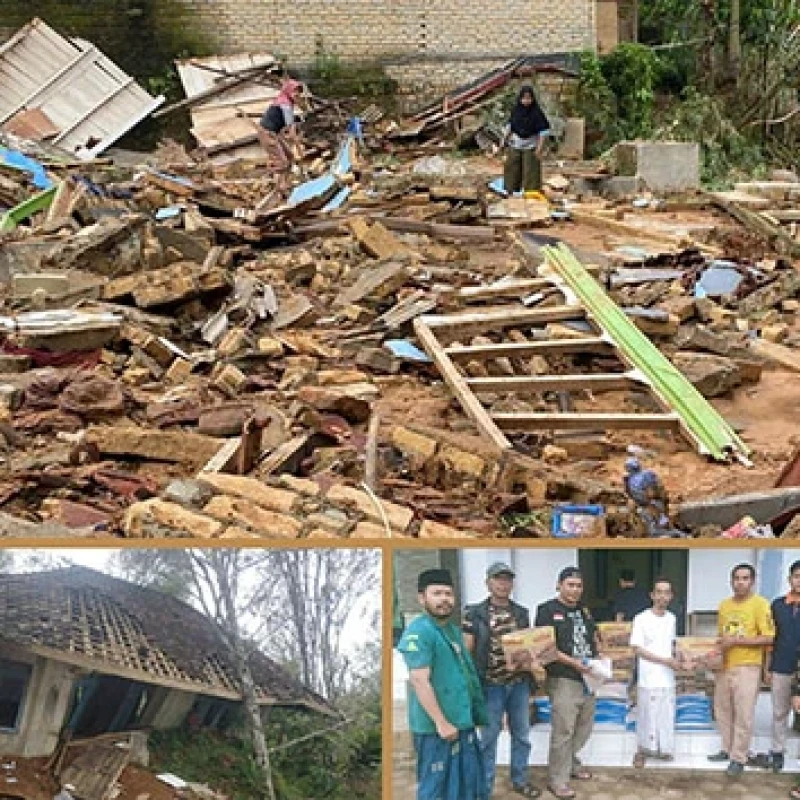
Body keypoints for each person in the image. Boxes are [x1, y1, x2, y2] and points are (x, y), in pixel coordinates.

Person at [397, 568, 489, 800]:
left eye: (448, 594)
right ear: (422, 598)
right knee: (438, 789)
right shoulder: (419, 632)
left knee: (467, 786)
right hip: (437, 731)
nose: (444, 599)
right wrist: (441, 723)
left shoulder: (451, 631)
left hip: (461, 724)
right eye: (437, 593)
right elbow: (419, 680)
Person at [463, 562, 540, 799]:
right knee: (488, 738)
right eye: (498, 579)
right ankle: (484, 789)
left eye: (507, 579)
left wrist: (528, 663)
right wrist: (470, 685)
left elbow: (528, 645)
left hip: (518, 684)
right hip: (490, 685)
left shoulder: (521, 612)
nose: (503, 584)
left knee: (522, 736)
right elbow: (468, 650)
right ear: (488, 582)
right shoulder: (473, 612)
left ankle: (520, 780)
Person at [535, 567, 599, 800]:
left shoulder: (584, 611)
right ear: (559, 585)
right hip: (564, 678)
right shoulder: (547, 610)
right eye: (570, 585)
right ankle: (558, 780)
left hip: (588, 677)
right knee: (563, 730)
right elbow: (547, 647)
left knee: (584, 726)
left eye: (579, 586)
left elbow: (592, 638)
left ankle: (571, 762)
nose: (575, 590)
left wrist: (599, 658)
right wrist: (574, 663)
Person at [707, 563, 775, 778]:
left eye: (745, 578)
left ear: (752, 582)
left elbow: (768, 637)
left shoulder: (760, 605)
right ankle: (726, 749)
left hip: (748, 666)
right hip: (725, 666)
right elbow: (722, 637)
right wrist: (712, 657)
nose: (740, 582)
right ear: (731, 581)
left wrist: (737, 641)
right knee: (722, 710)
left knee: (744, 714)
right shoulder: (724, 606)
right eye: (737, 578)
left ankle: (739, 757)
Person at [630, 577, 682, 767]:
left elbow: (672, 644)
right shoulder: (641, 618)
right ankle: (642, 751)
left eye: (666, 592)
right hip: (649, 675)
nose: (662, 596)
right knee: (646, 715)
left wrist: (680, 657)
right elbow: (637, 649)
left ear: (671, 596)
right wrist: (664, 661)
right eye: (658, 592)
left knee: (665, 715)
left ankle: (664, 749)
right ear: (652, 595)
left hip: (667, 676)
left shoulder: (672, 619)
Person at [768, 560, 800, 773]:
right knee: (780, 712)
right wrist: (767, 668)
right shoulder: (777, 605)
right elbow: (771, 638)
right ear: (790, 579)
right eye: (796, 576)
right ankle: (778, 751)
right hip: (781, 664)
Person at [502, 86, 549, 196]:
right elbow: (510, 127)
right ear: (520, 99)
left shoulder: (537, 113)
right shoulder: (516, 111)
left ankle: (531, 195)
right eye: (524, 98)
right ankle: (510, 192)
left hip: (531, 146)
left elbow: (543, 132)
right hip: (516, 144)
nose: (526, 101)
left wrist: (539, 149)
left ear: (533, 99)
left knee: (531, 172)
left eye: (529, 98)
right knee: (511, 169)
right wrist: (503, 142)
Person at [257, 78, 304, 188]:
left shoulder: (286, 102)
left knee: (290, 156)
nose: (296, 94)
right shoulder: (285, 104)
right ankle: (273, 179)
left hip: (274, 133)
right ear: (288, 90)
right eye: (294, 91)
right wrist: (297, 142)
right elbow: (290, 128)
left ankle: (284, 183)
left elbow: (285, 127)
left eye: (298, 91)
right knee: (283, 162)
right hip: (267, 134)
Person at [623, 458, 682, 538]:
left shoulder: (627, 479)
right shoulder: (647, 475)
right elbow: (651, 493)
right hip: (652, 506)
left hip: (643, 506)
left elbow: (629, 494)